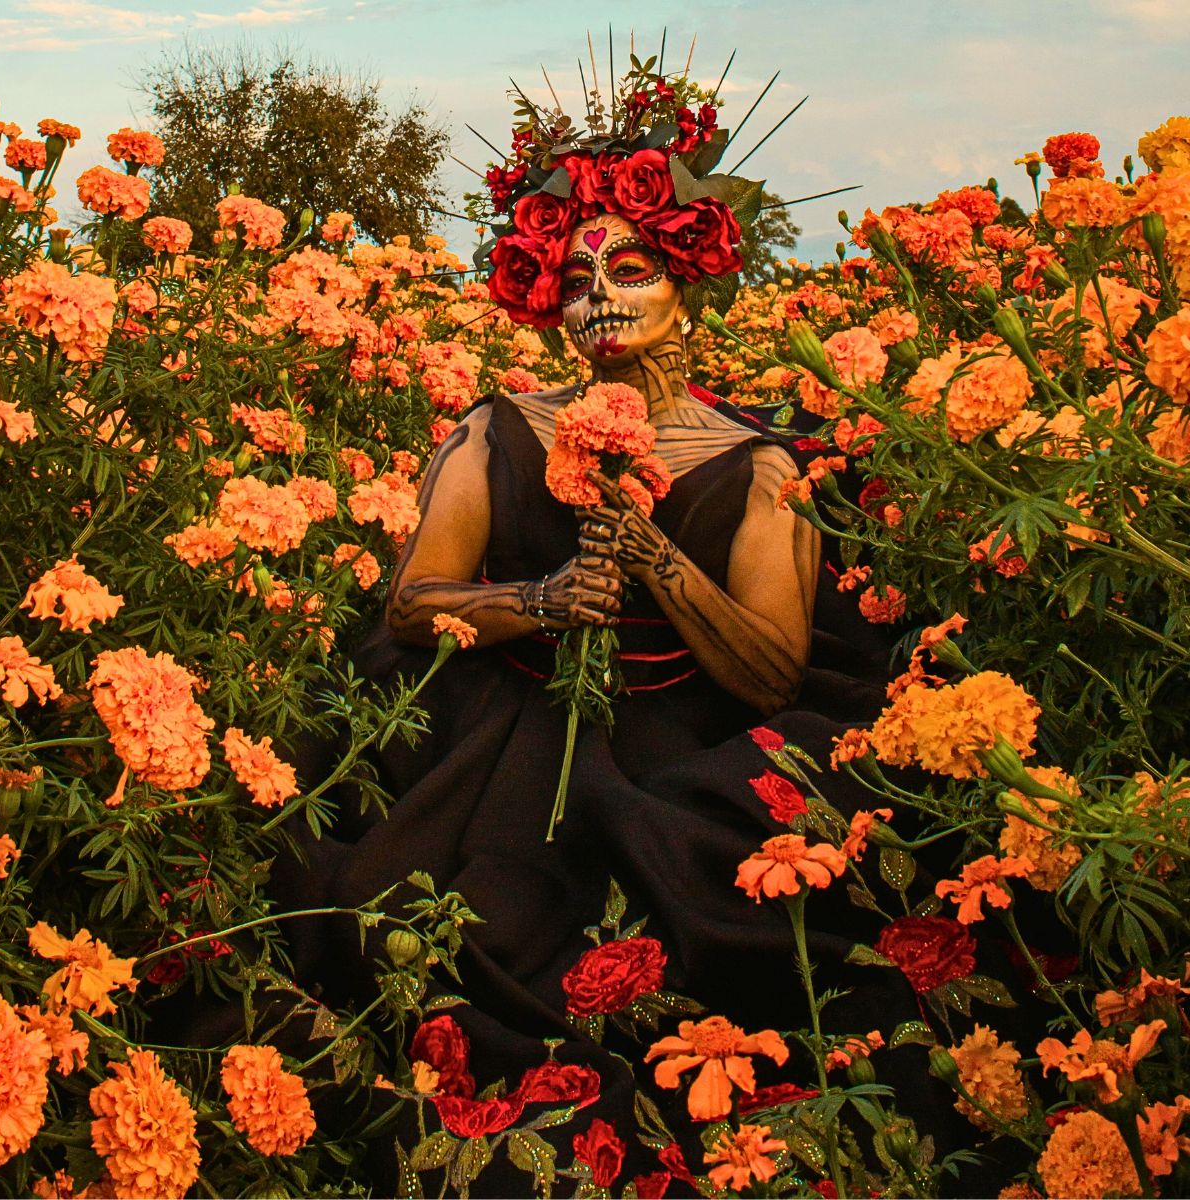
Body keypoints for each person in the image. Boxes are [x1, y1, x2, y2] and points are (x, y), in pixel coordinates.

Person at [263, 73, 971, 1194]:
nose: (599, 298)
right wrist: (540, 604)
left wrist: (655, 563)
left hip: (683, 744)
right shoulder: (496, 429)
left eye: (631, 269)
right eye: (576, 275)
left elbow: (772, 669)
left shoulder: (759, 461)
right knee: (435, 919)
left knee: (723, 926)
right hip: (504, 725)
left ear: (686, 282)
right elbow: (413, 600)